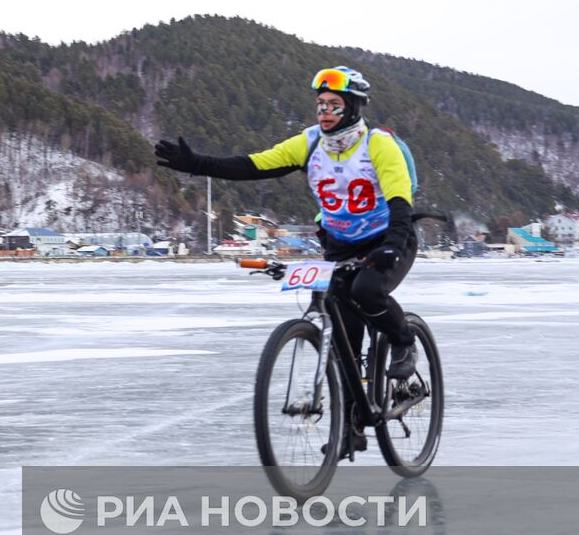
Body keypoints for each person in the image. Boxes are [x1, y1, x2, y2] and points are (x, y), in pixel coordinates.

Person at [155, 67, 418, 452]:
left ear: (353, 108)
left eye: (334, 105)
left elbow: (399, 199)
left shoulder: (378, 144)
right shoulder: (311, 144)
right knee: (343, 330)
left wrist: (392, 244)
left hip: (388, 237)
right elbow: (254, 165)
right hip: (341, 245)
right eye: (321, 105)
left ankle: (404, 340)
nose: (325, 112)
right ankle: (352, 426)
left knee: (367, 289)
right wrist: (198, 164)